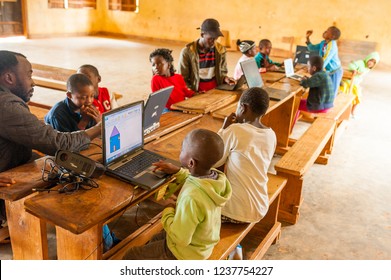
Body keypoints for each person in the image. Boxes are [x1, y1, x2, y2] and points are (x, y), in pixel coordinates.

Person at [0, 50, 101, 227]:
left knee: (74, 171)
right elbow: (58, 144)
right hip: (8, 184)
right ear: (9, 78)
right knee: (77, 194)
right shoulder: (6, 106)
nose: (33, 82)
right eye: (29, 75)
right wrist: (99, 128)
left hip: (17, 165)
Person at [122, 129, 232, 260]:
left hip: (185, 254)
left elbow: (181, 239)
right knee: (155, 238)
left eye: (182, 150)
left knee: (132, 255)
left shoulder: (192, 197)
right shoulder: (215, 179)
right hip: (201, 244)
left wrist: (168, 209)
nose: (180, 151)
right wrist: (179, 171)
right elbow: (195, 181)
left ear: (191, 163)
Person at [214, 87, 276, 223]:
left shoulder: (235, 130)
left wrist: (224, 129)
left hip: (235, 212)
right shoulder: (271, 135)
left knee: (195, 194)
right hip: (260, 206)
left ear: (243, 107)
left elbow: (214, 160)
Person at [178, 18, 235, 92]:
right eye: (210, 39)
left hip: (216, 90)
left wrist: (225, 78)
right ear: (202, 34)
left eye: (216, 39)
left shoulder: (220, 50)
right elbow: (182, 79)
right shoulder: (187, 52)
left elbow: (222, 72)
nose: (214, 42)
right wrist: (192, 93)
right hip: (196, 91)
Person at [295, 55, 334, 124]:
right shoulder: (323, 74)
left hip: (321, 106)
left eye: (308, 67)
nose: (307, 69)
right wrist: (307, 80)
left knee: (295, 103)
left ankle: (290, 127)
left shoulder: (318, 76)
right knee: (299, 101)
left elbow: (306, 84)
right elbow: (311, 82)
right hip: (327, 104)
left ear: (314, 68)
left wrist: (303, 80)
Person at [305, 26, 342, 98]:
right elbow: (312, 48)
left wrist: (314, 70)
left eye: (327, 31)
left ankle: (329, 108)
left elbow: (325, 59)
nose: (325, 32)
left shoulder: (332, 46)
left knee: (332, 92)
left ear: (332, 36)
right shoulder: (323, 43)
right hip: (328, 70)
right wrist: (307, 38)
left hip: (335, 71)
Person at [344, 52, 380, 117]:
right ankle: (347, 112)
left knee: (358, 98)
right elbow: (351, 65)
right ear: (367, 58)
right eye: (371, 60)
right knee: (348, 96)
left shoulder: (367, 69)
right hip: (349, 82)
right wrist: (354, 70)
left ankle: (352, 112)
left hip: (355, 83)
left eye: (374, 62)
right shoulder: (361, 62)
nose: (371, 63)